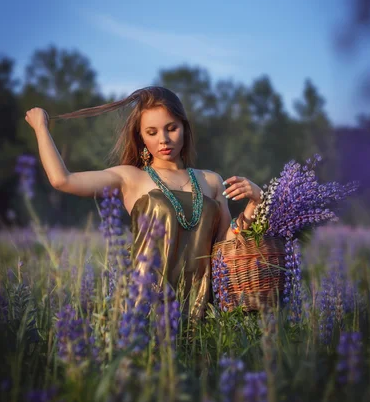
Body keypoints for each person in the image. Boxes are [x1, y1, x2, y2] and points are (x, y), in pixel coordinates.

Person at [25, 86, 262, 318]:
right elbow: (62, 180)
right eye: (152, 132)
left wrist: (255, 203)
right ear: (141, 136)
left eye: (171, 128)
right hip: (146, 314)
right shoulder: (131, 177)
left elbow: (224, 244)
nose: (164, 140)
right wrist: (40, 127)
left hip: (204, 314)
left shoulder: (211, 181)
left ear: (185, 128)